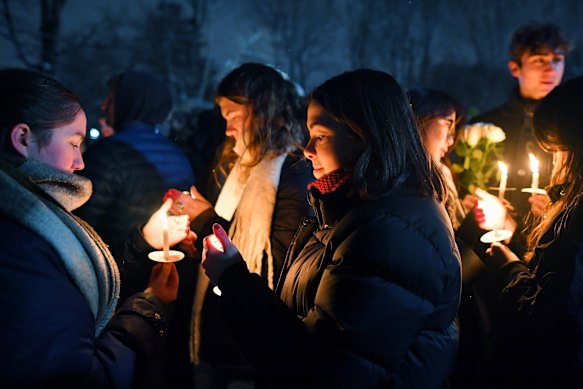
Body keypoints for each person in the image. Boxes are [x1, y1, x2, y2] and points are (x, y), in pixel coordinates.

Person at [200, 69, 462, 388]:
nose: (307, 149)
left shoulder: (387, 233)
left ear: (364, 135)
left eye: (321, 136)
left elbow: (321, 366)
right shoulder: (344, 211)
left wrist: (233, 278)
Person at [0, 68, 191, 387]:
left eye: (79, 144)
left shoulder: (35, 226)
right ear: (21, 139)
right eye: (73, 144)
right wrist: (149, 306)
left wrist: (145, 240)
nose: (81, 163)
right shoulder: (22, 249)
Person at [165, 62, 313, 387]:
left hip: (251, 344)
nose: (228, 129)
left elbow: (276, 261)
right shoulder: (240, 167)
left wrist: (204, 218)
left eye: (234, 116)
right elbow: (231, 234)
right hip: (221, 331)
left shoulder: (292, 173)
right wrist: (199, 246)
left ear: (263, 110)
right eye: (224, 118)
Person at [482, 75, 583, 387]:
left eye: (557, 149)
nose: (554, 163)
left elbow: (548, 318)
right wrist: (517, 233)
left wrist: (508, 266)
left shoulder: (576, 217)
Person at [75, 71, 196, 255]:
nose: (104, 105)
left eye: (111, 99)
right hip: (164, 267)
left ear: (130, 102)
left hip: (115, 268)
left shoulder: (107, 153)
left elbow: (80, 231)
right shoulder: (179, 156)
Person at [471, 22, 572, 219]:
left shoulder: (573, 124)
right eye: (539, 60)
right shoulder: (486, 126)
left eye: (557, 59)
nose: (550, 69)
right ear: (515, 68)